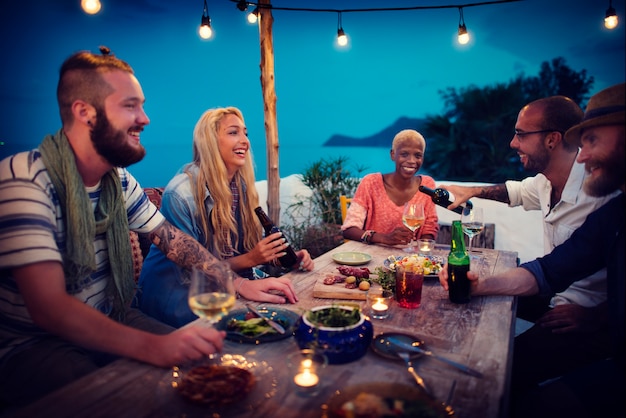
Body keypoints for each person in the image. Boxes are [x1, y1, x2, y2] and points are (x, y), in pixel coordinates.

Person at [0, 47, 277, 407]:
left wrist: (238, 283)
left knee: (207, 360)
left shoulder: (118, 180)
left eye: (142, 106)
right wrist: (156, 347)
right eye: (130, 106)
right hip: (34, 343)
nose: (144, 118)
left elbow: (172, 241)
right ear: (85, 112)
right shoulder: (23, 181)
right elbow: (49, 309)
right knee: (126, 399)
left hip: (113, 313)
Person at [439, 82, 625, 418]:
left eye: (592, 140)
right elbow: (551, 268)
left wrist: (598, 317)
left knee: (502, 370)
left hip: (588, 317)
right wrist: (479, 284)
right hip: (560, 295)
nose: (582, 155)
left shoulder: (603, 195)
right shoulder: (556, 188)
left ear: (552, 139)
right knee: (477, 305)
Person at [137, 107, 313, 327]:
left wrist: (281, 257)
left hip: (224, 287)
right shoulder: (182, 194)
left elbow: (239, 254)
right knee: (269, 326)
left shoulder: (240, 188)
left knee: (296, 309)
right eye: (233, 132)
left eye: (245, 134)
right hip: (177, 297)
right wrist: (251, 261)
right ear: (210, 140)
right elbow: (192, 273)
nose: (244, 141)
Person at [341, 129, 438, 246]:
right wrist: (383, 238)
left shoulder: (427, 185)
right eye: (404, 154)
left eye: (418, 155)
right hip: (371, 257)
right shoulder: (371, 183)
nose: (412, 161)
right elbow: (349, 230)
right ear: (393, 154)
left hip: (409, 261)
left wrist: (421, 253)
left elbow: (429, 229)